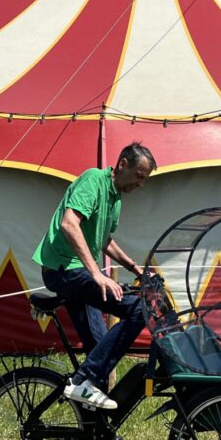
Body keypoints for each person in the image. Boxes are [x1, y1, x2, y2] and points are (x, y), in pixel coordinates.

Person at [33, 142, 156, 421]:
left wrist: (136, 269)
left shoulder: (116, 199)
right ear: (122, 164)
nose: (141, 183)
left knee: (99, 351)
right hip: (63, 270)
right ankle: (81, 381)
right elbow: (69, 224)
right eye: (139, 175)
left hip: (78, 273)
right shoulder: (92, 180)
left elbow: (105, 241)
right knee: (139, 310)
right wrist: (96, 273)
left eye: (145, 179)